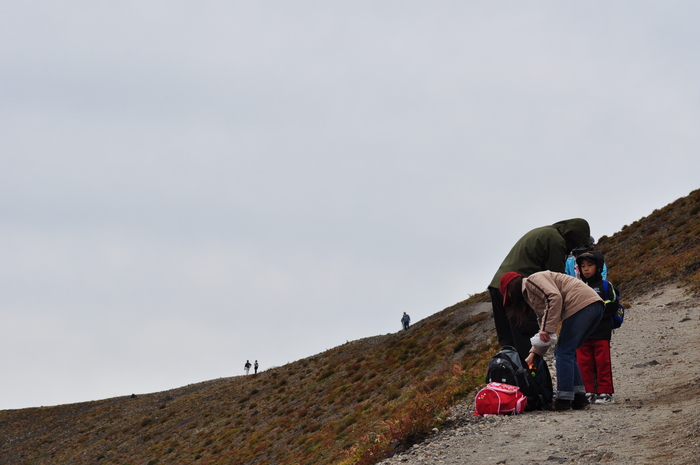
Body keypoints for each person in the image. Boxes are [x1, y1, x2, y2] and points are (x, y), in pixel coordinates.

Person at [488, 219, 591, 361]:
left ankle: (511, 377)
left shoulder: (545, 232)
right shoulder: (556, 241)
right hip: (517, 288)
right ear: (574, 236)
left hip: (498, 285)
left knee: (507, 340)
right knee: (527, 337)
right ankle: (534, 380)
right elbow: (555, 277)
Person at [500, 270, 604, 411]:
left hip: (581, 304)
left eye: (509, 295)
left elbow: (554, 297)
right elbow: (544, 329)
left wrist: (547, 328)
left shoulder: (532, 280)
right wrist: (533, 354)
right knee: (568, 352)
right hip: (593, 306)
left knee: (563, 352)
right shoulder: (532, 297)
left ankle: (564, 400)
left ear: (511, 286)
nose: (512, 299)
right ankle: (579, 398)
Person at [575, 251, 618, 404]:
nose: (586, 269)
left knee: (602, 362)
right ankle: (588, 391)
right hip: (583, 334)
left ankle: (605, 392)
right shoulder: (578, 286)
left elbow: (613, 303)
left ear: (598, 267)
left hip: (601, 332)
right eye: (583, 266)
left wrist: (595, 310)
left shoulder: (605, 285)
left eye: (590, 265)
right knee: (584, 363)